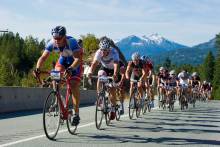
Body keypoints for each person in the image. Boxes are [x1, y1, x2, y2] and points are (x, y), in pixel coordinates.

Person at [33, 26, 83, 126]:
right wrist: (38, 68)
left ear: (64, 36)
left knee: (73, 84)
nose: (56, 41)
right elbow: (43, 57)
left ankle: (76, 113)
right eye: (55, 38)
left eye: (59, 38)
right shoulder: (52, 42)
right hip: (63, 60)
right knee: (55, 77)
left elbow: (78, 59)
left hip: (75, 62)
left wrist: (71, 69)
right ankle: (58, 101)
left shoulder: (71, 41)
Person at [87, 37, 119, 120]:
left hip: (113, 70)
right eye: (102, 50)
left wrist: (115, 74)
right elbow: (94, 63)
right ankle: (100, 96)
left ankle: (112, 109)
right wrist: (90, 72)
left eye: (105, 50)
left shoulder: (114, 52)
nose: (103, 52)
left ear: (109, 49)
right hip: (104, 68)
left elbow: (116, 64)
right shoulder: (99, 52)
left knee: (112, 90)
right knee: (100, 76)